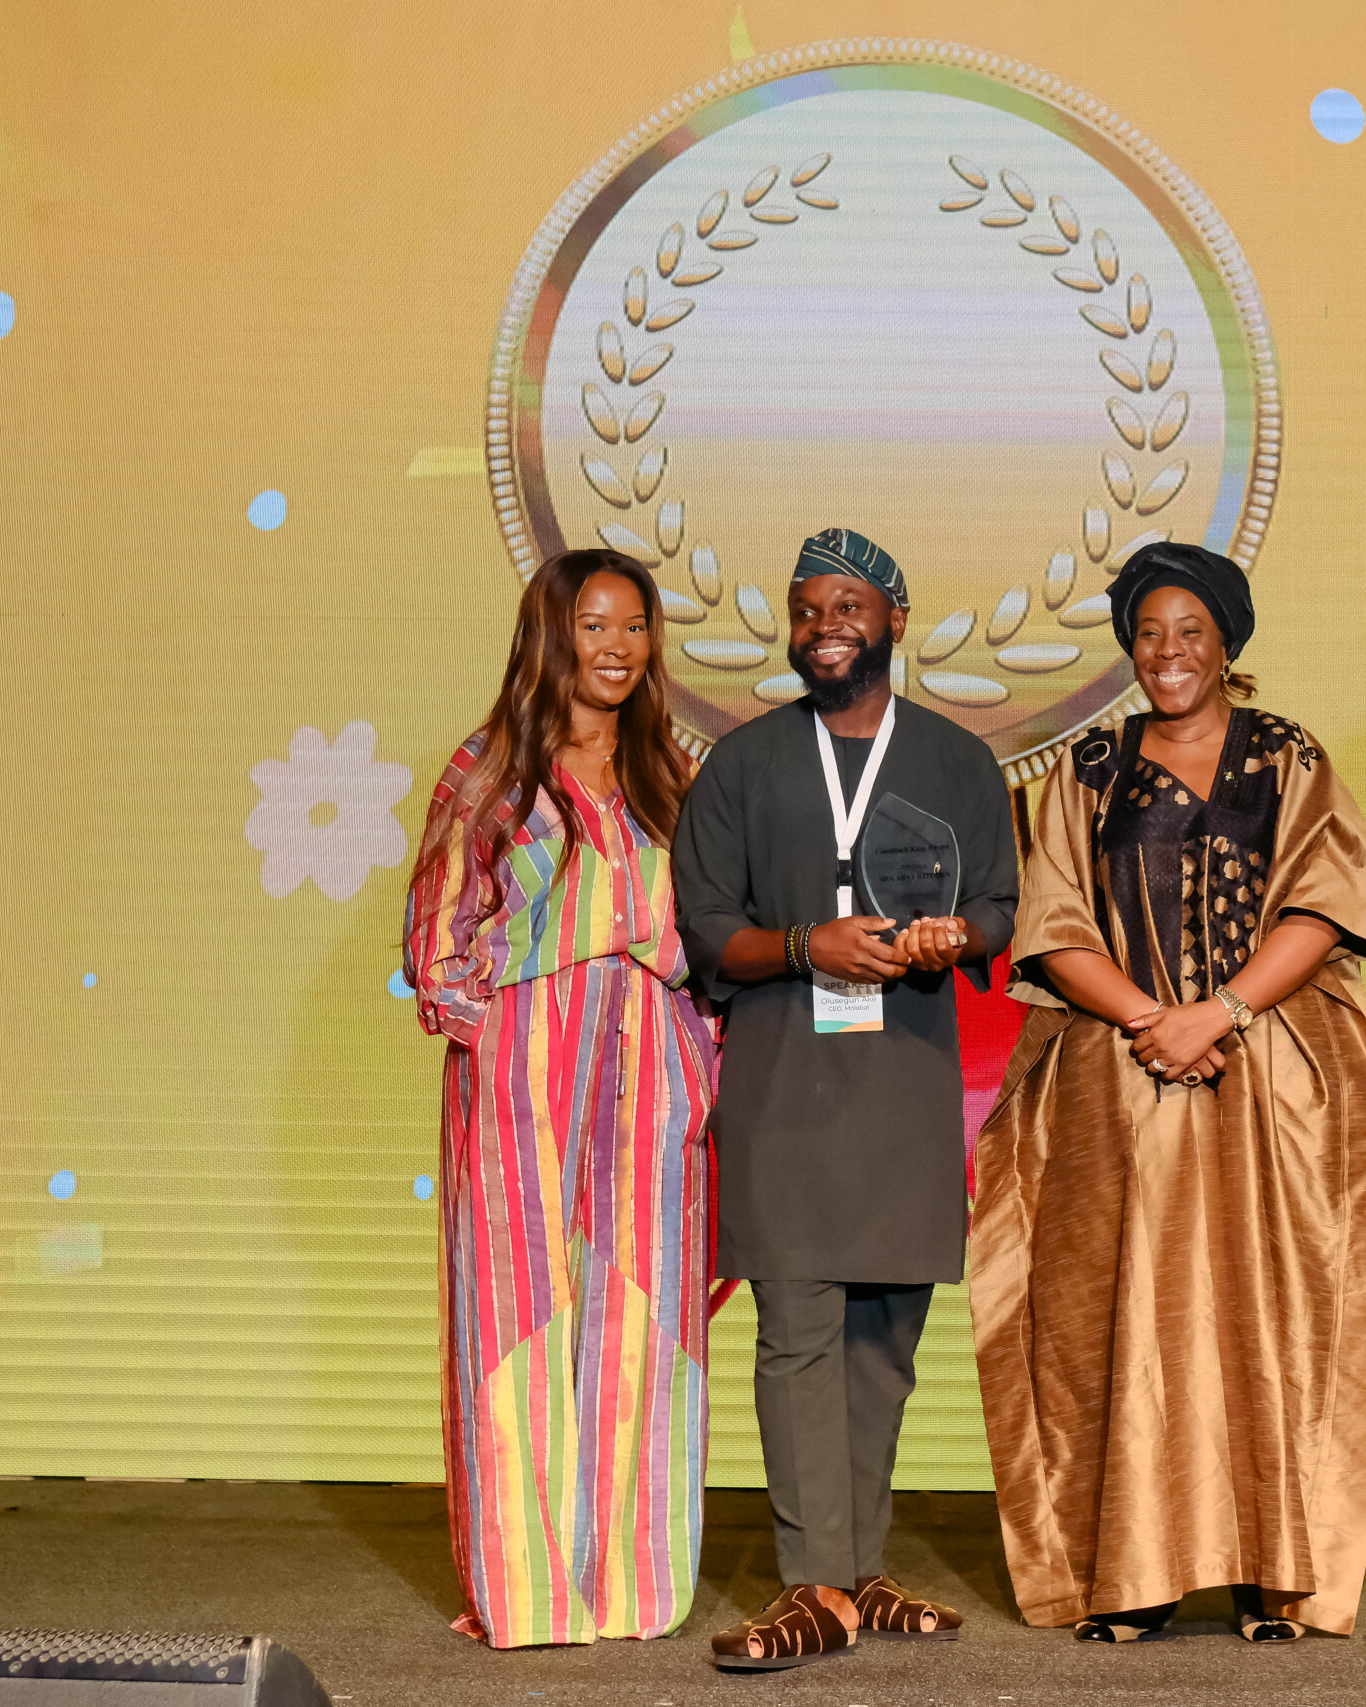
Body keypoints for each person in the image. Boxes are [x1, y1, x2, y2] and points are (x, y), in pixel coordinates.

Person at [970, 540, 1366, 1645]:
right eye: (1150, 634)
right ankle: (1132, 1575)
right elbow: (1052, 921)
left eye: (1190, 634)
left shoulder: (1287, 757)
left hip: (1274, 1084)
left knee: (1274, 1316)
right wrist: (1151, 1020)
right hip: (1119, 1087)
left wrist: (1220, 1013)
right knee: (1125, 1320)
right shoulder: (1089, 768)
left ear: (1226, 648)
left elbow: (1324, 901)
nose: (1168, 653)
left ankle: (1278, 1577)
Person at [671, 526, 1019, 1672]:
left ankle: (855, 1570)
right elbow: (708, 929)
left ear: (895, 622)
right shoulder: (743, 764)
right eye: (808, 606)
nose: (826, 623)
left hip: (906, 1088)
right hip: (785, 1084)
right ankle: (810, 1583)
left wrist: (952, 933)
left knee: (882, 1342)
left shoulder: (959, 762)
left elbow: (1001, 910)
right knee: (798, 1332)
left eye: (850, 606)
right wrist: (807, 943)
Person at [402, 548, 719, 1644]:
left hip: (654, 1074)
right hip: (523, 1075)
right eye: (594, 626)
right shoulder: (491, 767)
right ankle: (524, 1586)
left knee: (643, 1317)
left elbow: (712, 932)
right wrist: (499, 1037)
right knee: (518, 1315)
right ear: (553, 634)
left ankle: (627, 1584)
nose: (618, 648)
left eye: (635, 627)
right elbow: (438, 939)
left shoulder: (671, 771)